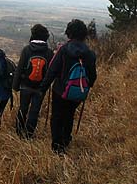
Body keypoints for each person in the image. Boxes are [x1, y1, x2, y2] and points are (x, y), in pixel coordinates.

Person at [40, 19, 97, 155]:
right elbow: (92, 75)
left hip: (60, 90)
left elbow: (52, 70)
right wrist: (87, 86)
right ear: (84, 34)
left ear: (69, 33)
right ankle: (66, 140)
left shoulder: (63, 50)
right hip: (78, 91)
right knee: (69, 115)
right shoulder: (89, 53)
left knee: (57, 117)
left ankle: (57, 146)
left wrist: (43, 88)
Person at [12, 24, 54, 139]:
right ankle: (29, 134)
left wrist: (15, 86)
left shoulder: (27, 50)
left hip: (25, 85)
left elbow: (19, 69)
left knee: (23, 108)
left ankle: (19, 132)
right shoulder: (49, 52)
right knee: (34, 111)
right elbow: (51, 72)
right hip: (40, 88)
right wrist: (46, 86)